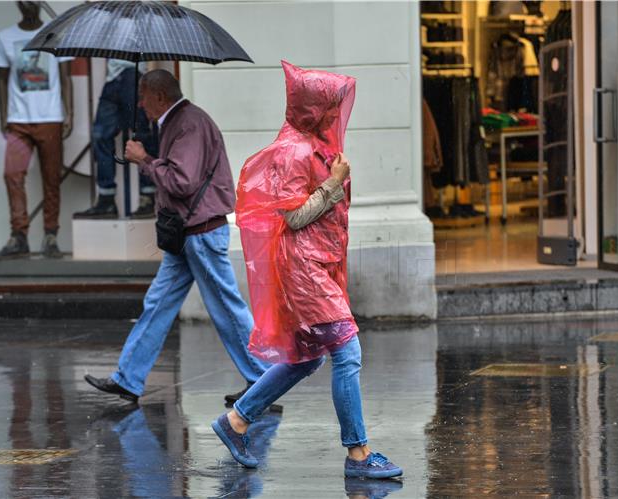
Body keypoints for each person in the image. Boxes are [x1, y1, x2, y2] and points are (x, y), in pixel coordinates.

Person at [211, 61, 403, 480]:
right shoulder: (294, 151)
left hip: (317, 267)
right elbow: (294, 217)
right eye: (330, 107)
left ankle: (237, 421)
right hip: (304, 272)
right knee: (347, 353)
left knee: (306, 357)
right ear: (314, 108)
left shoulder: (312, 146)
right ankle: (358, 454)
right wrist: (334, 183)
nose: (336, 115)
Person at [84, 69, 273, 409]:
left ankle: (264, 381)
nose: (140, 105)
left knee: (226, 307)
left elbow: (182, 182)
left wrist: (144, 160)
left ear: (159, 96)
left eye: (143, 98)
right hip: (188, 233)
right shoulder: (179, 121)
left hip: (199, 232)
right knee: (158, 304)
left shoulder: (188, 123)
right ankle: (128, 378)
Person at [0, 1, 72, 260]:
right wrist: (3, 116)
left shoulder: (55, 32)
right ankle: (19, 235)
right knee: (12, 175)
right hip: (18, 118)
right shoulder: (5, 37)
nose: (29, 3)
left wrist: (70, 112)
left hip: (50, 116)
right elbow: (1, 80)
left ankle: (50, 235)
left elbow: (65, 75)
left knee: (51, 177)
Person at [73, 59, 158, 220]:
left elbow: (152, 56)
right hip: (113, 77)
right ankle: (107, 199)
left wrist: (147, 79)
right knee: (101, 135)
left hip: (134, 75)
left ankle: (147, 196)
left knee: (141, 135)